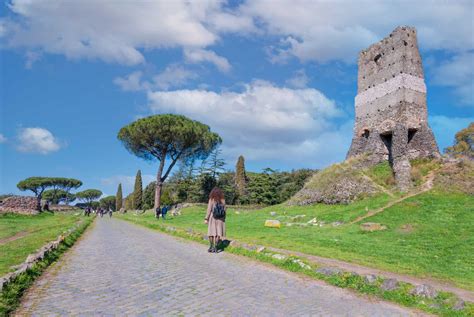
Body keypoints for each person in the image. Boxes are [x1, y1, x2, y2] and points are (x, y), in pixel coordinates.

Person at [204, 187, 226, 253]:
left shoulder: (211, 199)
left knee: (211, 233)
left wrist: (206, 218)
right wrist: (224, 218)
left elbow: (209, 209)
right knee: (218, 233)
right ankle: (216, 247)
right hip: (220, 219)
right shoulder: (223, 200)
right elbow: (224, 210)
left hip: (212, 218)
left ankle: (211, 247)